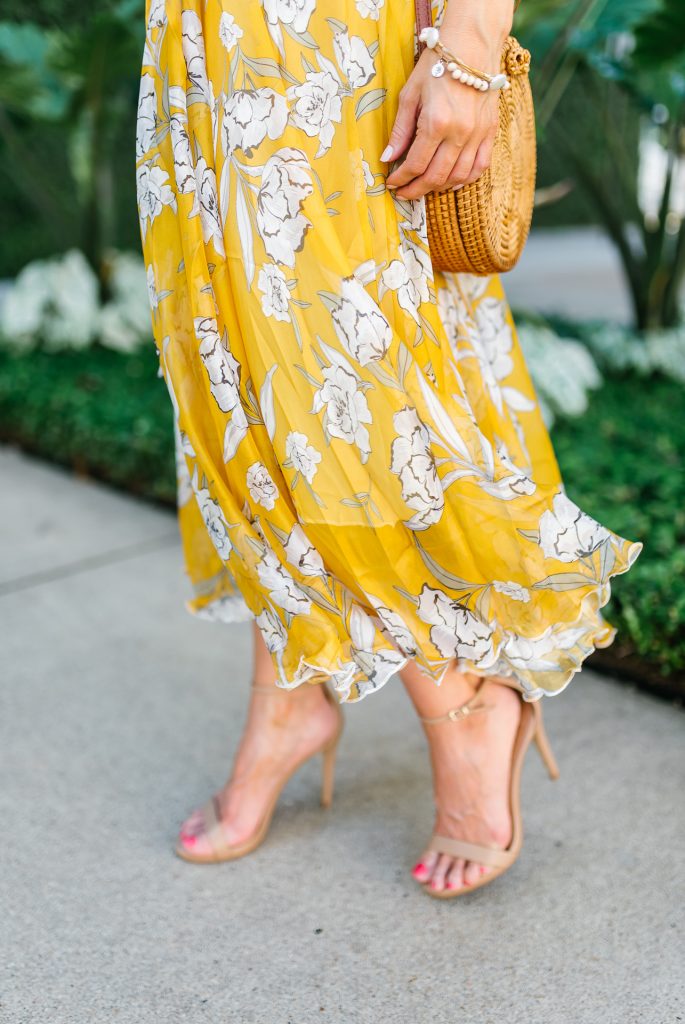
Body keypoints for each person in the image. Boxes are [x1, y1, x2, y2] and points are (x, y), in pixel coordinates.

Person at [136, 0, 641, 898]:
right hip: (202, 36)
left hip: (332, 35)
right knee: (240, 374)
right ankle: (287, 692)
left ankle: (464, 704)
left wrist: (471, 44)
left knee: (345, 381)